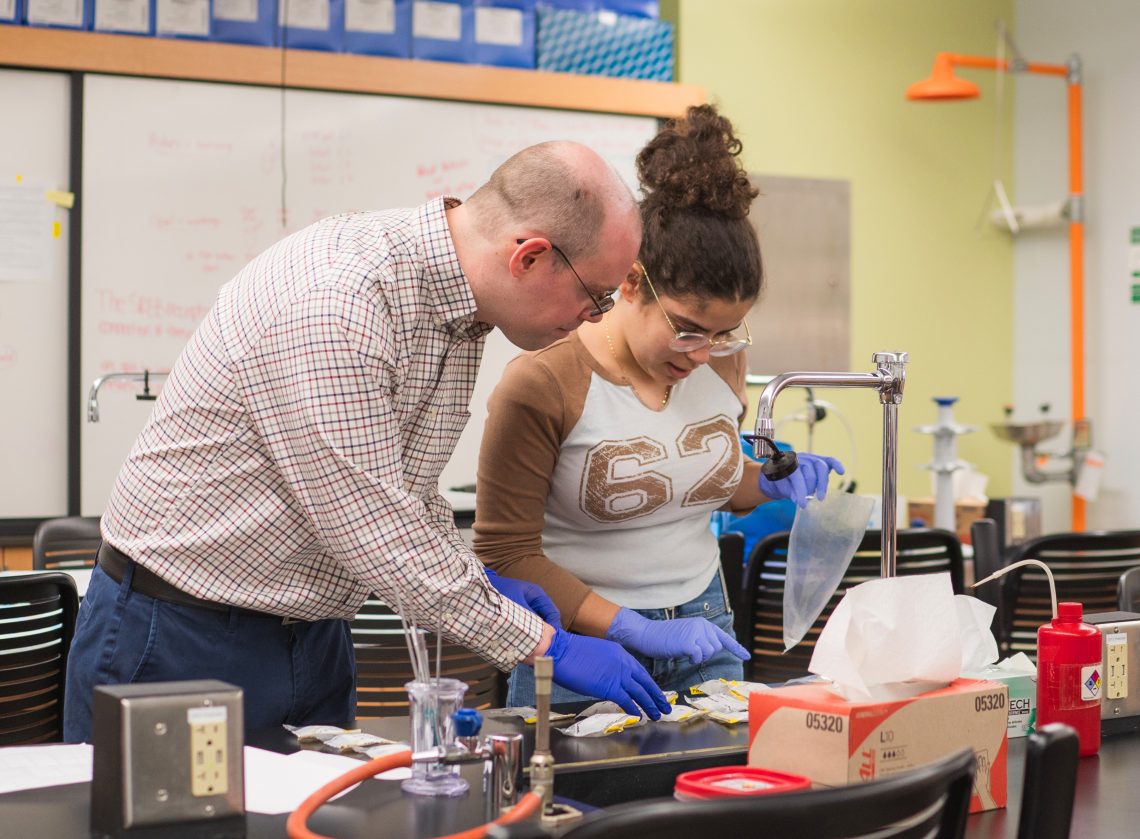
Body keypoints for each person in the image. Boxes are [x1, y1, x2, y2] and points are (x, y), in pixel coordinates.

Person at [63, 141, 676, 743]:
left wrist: (480, 583)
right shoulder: (339, 300)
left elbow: (401, 493)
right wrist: (545, 645)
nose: (596, 317)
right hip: (179, 635)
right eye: (593, 296)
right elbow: (374, 530)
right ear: (531, 257)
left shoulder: (458, 314)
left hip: (313, 633)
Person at [474, 106, 844, 706]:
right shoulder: (542, 383)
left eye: (726, 333)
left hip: (706, 628)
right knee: (583, 799)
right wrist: (629, 627)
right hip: (586, 646)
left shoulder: (718, 360)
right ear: (630, 283)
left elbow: (700, 480)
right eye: (689, 329)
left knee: (713, 792)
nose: (704, 354)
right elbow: (504, 554)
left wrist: (764, 484)